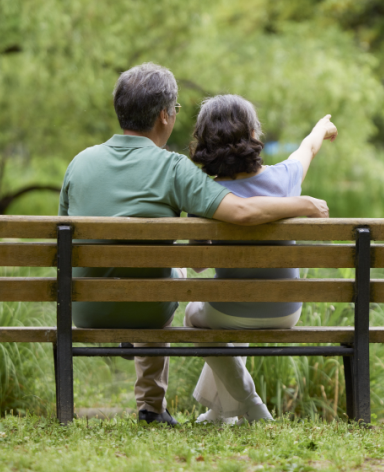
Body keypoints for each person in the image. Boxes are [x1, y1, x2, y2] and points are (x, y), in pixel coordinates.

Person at [57, 64, 329, 427]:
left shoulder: (78, 164)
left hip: (85, 308)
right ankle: (152, 408)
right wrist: (304, 203)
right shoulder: (172, 168)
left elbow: (60, 240)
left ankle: (216, 409)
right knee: (167, 276)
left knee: (171, 277)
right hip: (147, 312)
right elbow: (243, 210)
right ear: (165, 116)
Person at [184, 94, 337, 424]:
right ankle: (220, 411)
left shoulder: (205, 194)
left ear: (206, 143)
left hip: (229, 312)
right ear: (254, 134)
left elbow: (197, 264)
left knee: (195, 316)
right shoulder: (287, 177)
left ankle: (247, 401)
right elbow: (307, 148)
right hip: (286, 312)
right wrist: (321, 128)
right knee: (227, 316)